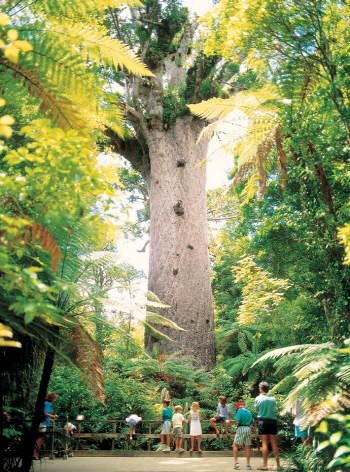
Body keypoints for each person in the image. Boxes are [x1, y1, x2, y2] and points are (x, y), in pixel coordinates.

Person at [255, 381, 280, 471]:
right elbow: (274, 410)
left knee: (264, 443)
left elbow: (257, 410)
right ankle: (278, 465)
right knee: (274, 443)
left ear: (261, 389)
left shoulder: (258, 398)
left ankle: (265, 465)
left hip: (263, 421)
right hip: (272, 421)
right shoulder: (273, 398)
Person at [33, 392, 58, 460]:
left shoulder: (45, 403)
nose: (54, 400)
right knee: (39, 438)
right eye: (54, 399)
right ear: (51, 398)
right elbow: (46, 413)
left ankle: (36, 454)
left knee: (40, 438)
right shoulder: (47, 403)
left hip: (42, 422)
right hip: (42, 423)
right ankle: (34, 454)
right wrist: (53, 416)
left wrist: (50, 419)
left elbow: (43, 414)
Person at [233, 401, 254, 470]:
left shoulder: (239, 411)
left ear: (238, 407)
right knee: (247, 447)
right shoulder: (249, 412)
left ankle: (236, 462)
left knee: (235, 445)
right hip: (248, 429)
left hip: (241, 428)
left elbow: (238, 421)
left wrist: (236, 423)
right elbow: (252, 422)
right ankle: (248, 464)